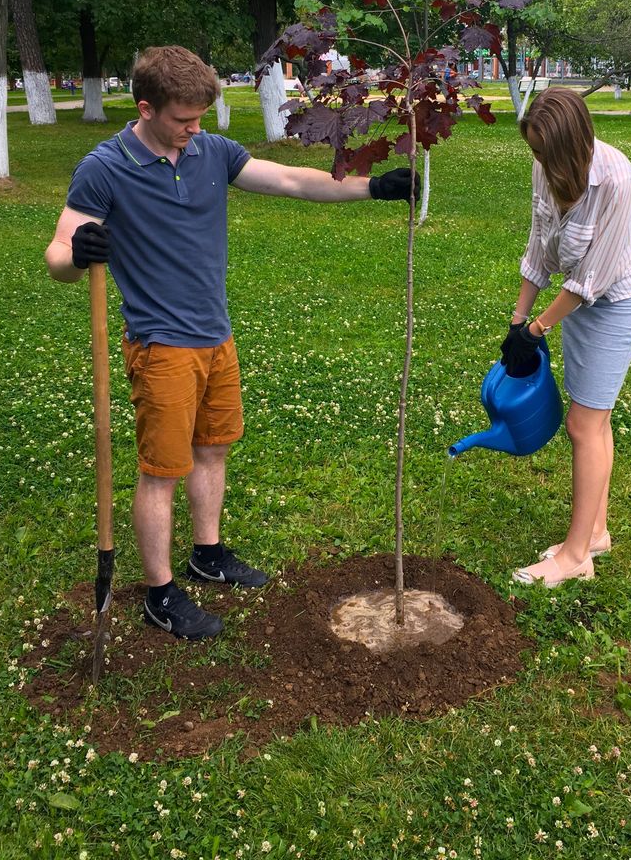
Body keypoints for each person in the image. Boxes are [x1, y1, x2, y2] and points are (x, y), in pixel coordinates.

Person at [45, 46, 418, 640]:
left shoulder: (212, 151)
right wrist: (76, 256)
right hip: (161, 345)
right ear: (146, 109)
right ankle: (160, 593)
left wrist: (373, 188)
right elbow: (58, 254)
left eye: (200, 118)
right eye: (183, 119)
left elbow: (290, 179)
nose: (195, 130)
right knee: (161, 472)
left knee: (213, 449)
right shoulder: (105, 167)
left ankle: (208, 553)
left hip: (216, 335)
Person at [500, 87, 631, 589]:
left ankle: (574, 556)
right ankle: (597, 533)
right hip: (577, 304)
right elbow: (538, 248)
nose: (540, 163)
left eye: (547, 153)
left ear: (573, 144)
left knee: (584, 424)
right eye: (535, 152)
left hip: (616, 304)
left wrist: (538, 328)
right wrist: (518, 320)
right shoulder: (545, 168)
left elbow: (590, 282)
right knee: (596, 420)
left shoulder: (616, 180)